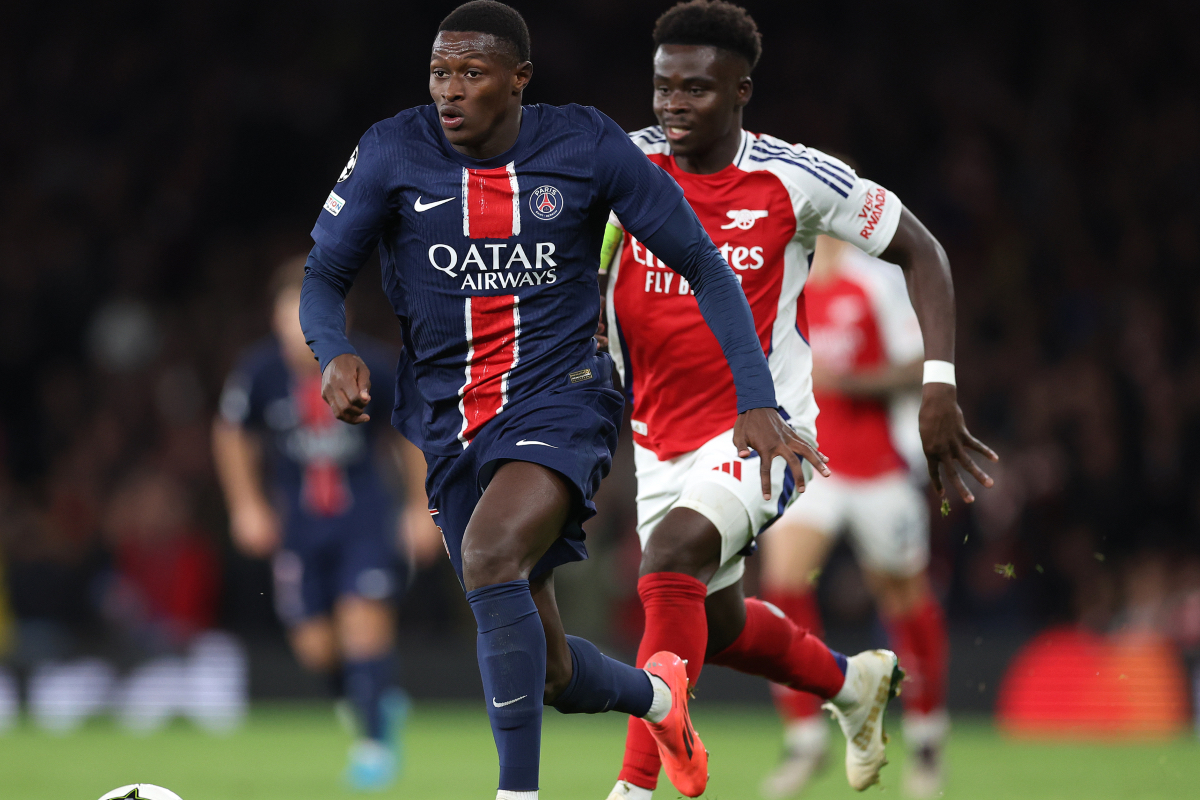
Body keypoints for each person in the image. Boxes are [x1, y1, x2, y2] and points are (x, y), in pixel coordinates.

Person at [298, 3, 824, 797]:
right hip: (447, 425)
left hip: (562, 401)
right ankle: (658, 699)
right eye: (440, 73)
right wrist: (333, 351)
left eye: (471, 74)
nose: (449, 91)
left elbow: (704, 265)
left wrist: (758, 398)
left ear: (518, 80)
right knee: (549, 671)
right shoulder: (390, 151)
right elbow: (321, 277)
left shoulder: (584, 145)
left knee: (488, 555)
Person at [596, 2, 996, 798]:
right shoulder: (620, 163)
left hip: (767, 431)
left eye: (698, 90)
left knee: (669, 559)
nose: (674, 104)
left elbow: (924, 250)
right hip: (658, 435)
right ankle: (853, 685)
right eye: (664, 87)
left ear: (742, 91)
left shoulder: (797, 177)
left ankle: (635, 788)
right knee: (719, 625)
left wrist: (939, 384)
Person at [213, 256, 437, 790]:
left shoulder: (373, 366)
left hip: (365, 517)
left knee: (363, 622)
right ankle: (370, 700)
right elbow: (231, 433)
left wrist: (419, 507)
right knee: (315, 645)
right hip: (300, 525)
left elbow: (409, 435)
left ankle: (375, 746)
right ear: (273, 319)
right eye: (289, 314)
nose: (299, 328)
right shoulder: (259, 372)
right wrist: (246, 504)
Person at [758, 235, 947, 799]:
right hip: (811, 462)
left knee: (903, 600)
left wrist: (850, 382)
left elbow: (921, 364)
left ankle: (927, 736)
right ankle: (805, 736)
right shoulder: (785, 280)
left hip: (878, 466)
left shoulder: (877, 281)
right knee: (781, 584)